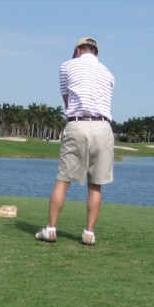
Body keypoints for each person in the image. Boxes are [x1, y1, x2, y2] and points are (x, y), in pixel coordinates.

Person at [36, 36, 115, 246]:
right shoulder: (109, 73)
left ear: (78, 51)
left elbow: (67, 101)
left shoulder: (67, 66)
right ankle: (89, 234)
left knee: (63, 180)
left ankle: (51, 229)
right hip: (103, 128)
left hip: (78, 123)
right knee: (95, 185)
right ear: (95, 52)